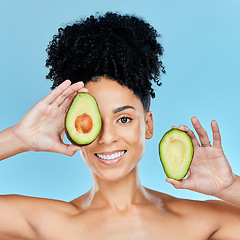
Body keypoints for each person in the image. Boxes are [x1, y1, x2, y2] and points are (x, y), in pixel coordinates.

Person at [0, 12, 240, 240]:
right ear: (73, 130)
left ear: (147, 125)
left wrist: (229, 187)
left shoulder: (201, 221)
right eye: (92, 121)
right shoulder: (48, 223)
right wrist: (20, 138)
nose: (107, 137)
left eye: (123, 119)